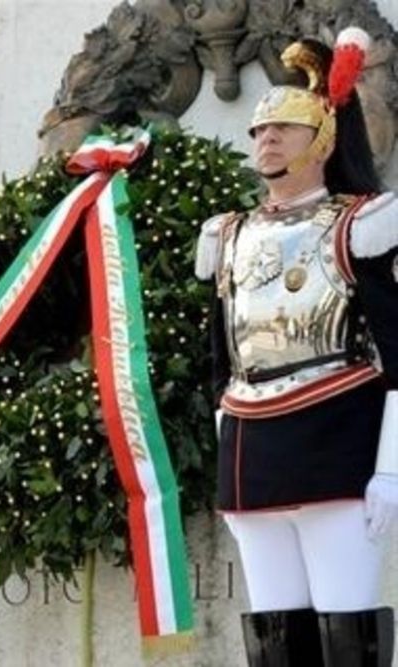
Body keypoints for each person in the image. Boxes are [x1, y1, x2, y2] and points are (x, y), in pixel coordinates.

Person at [196, 28, 398, 666]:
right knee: (276, 631)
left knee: (346, 628)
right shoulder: (228, 234)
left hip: (337, 435)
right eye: (260, 129)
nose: (268, 138)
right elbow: (221, 357)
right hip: (251, 444)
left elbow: (396, 356)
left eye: (285, 127)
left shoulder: (361, 224)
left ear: (324, 139)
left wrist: (391, 468)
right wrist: (225, 436)